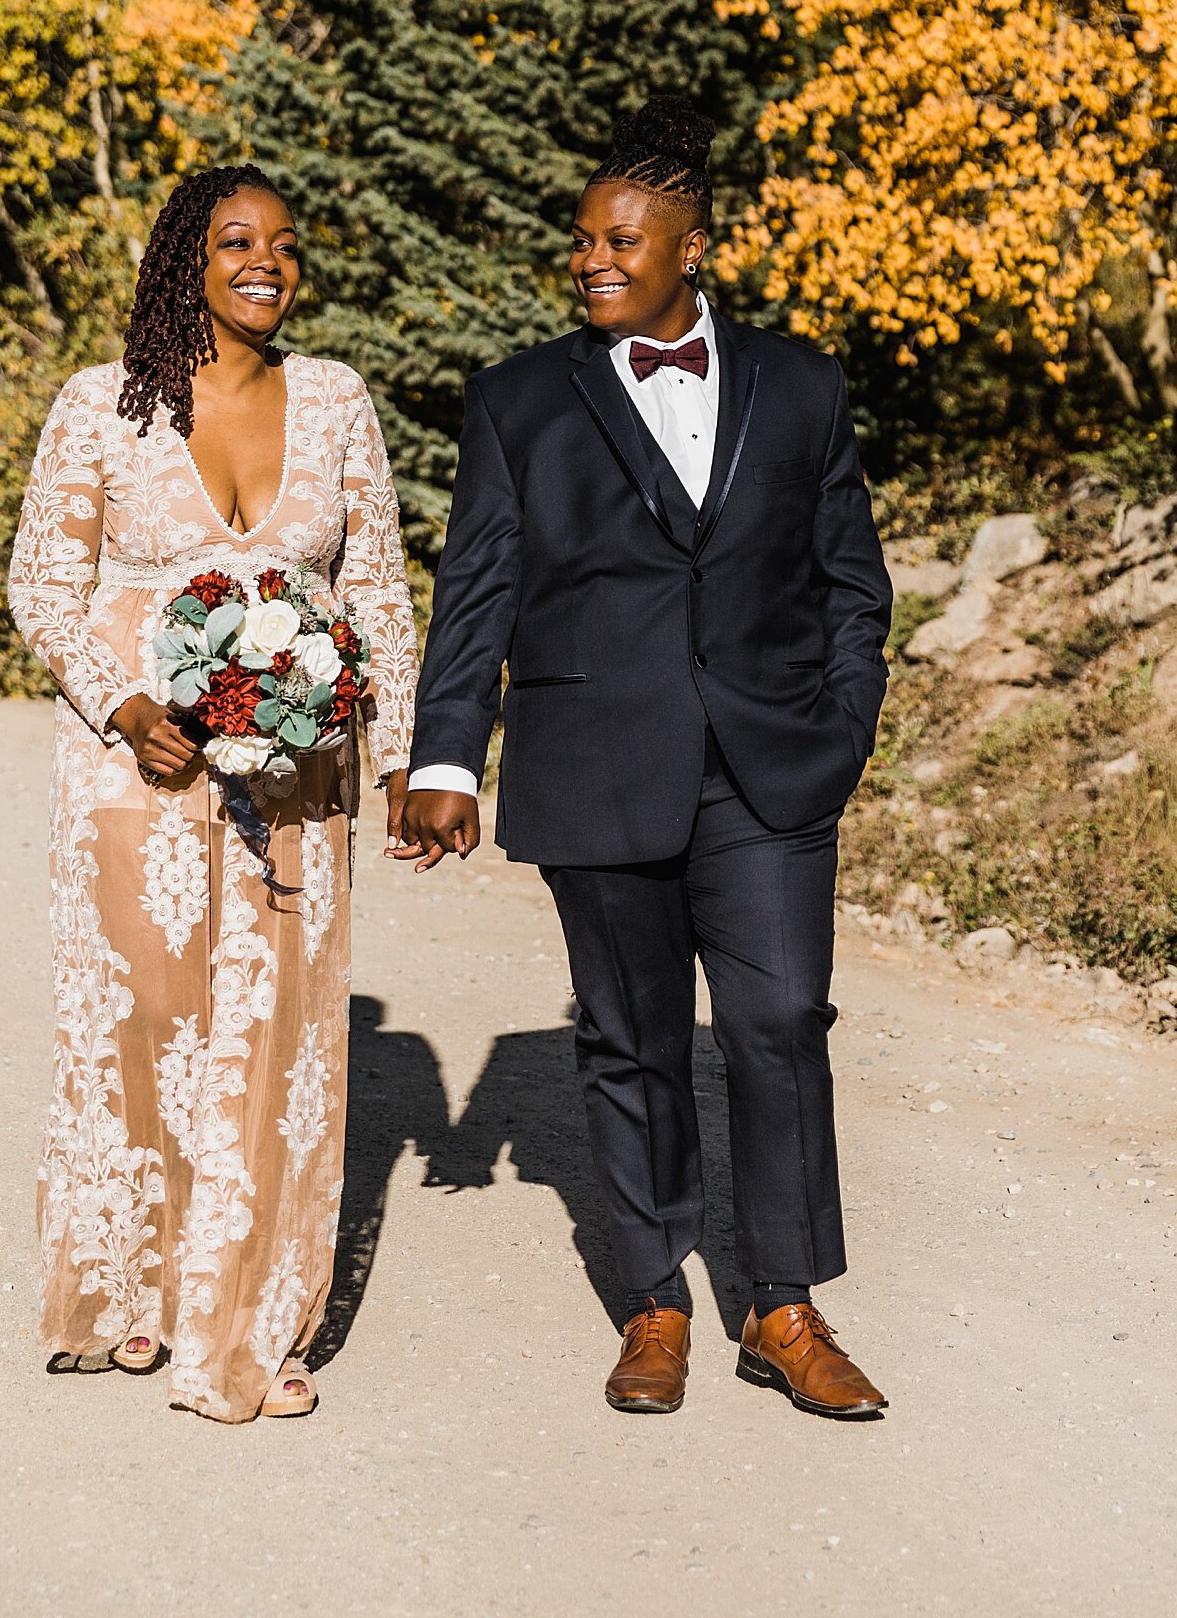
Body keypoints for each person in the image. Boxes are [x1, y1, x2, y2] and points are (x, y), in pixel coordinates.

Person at [397, 96, 893, 1420]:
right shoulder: (519, 402)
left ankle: (783, 1305)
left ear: (694, 250)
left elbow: (853, 583)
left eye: (625, 237)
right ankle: (655, 1300)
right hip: (597, 762)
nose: (594, 258)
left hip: (773, 767)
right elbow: (478, 592)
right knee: (631, 1041)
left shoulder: (801, 385)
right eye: (583, 239)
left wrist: (843, 727)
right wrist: (447, 755)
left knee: (783, 1027)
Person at [8, 163, 417, 1423]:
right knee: (147, 1022)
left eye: (287, 244)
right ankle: (138, 1288)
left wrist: (402, 759)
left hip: (299, 781)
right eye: (237, 240)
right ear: (187, 256)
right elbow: (42, 586)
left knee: (279, 1041)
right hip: (137, 769)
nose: (266, 262)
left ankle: (247, 1309)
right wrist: (129, 710)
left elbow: (383, 594)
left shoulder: (338, 400)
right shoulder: (100, 405)